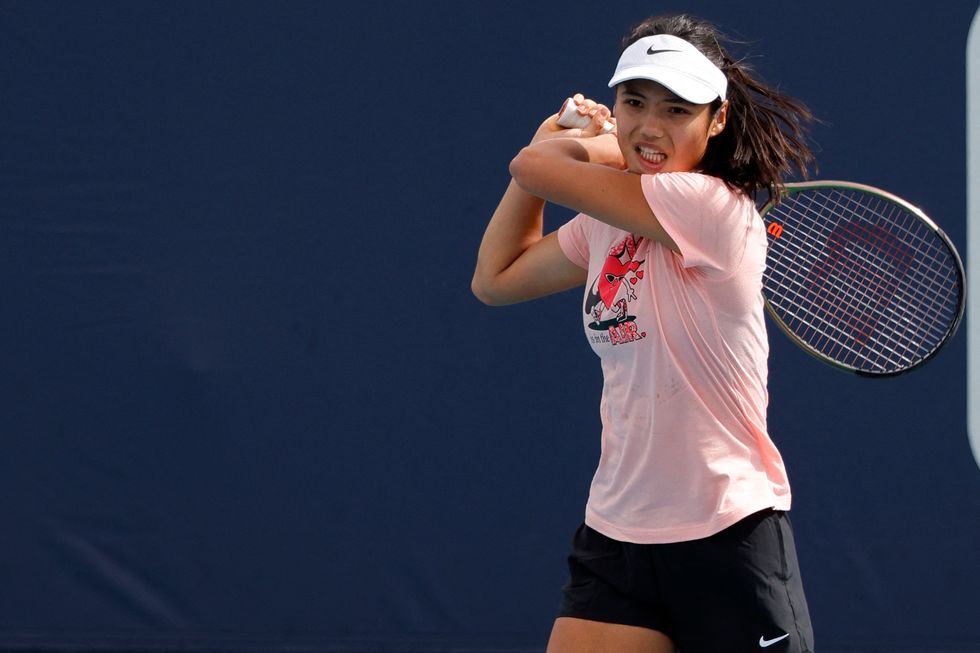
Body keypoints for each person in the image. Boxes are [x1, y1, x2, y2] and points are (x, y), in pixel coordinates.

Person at [470, 13, 817, 653]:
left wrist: (559, 141)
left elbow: (537, 166)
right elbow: (496, 278)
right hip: (619, 533)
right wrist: (565, 153)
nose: (650, 126)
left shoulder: (708, 206)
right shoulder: (608, 220)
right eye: (633, 102)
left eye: (676, 109)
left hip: (727, 533)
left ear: (716, 120)